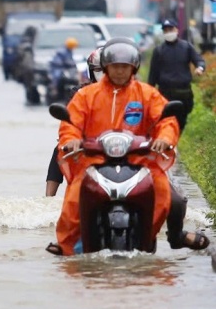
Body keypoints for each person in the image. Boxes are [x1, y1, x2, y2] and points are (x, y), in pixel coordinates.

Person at [46, 38, 209, 255]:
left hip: (140, 160)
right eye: (115, 67)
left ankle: (153, 235)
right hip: (93, 160)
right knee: (74, 198)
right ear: (105, 67)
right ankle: (66, 244)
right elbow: (70, 124)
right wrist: (72, 140)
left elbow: (166, 121)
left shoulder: (147, 94)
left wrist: (165, 138)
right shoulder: (86, 95)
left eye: (125, 67)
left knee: (168, 197)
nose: (120, 72)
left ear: (133, 68)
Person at [46, 46, 103, 197]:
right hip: (87, 140)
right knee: (60, 148)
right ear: (92, 71)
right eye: (99, 70)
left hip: (119, 142)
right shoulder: (80, 94)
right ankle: (48, 199)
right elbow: (70, 121)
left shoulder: (133, 93)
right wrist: (71, 138)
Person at [147, 19, 206, 132]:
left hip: (184, 93)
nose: (169, 32)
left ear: (176, 30)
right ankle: (168, 142)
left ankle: (176, 140)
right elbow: (152, 76)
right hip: (165, 93)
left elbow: (199, 61)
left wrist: (200, 68)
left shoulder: (186, 47)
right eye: (166, 30)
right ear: (163, 33)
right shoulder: (159, 51)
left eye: (171, 29)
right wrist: (149, 95)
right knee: (165, 120)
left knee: (181, 120)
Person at [48, 37, 79, 103]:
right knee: (57, 76)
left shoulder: (70, 51)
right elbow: (58, 61)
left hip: (67, 68)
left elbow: (71, 60)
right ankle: (54, 88)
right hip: (58, 68)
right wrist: (67, 63)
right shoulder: (61, 52)